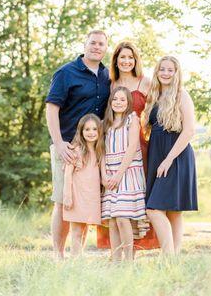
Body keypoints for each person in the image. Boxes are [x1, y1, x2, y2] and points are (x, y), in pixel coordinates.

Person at [45, 30, 110, 260]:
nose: (96, 47)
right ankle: (58, 255)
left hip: (93, 150)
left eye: (101, 44)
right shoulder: (66, 73)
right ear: (85, 44)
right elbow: (52, 108)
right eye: (92, 43)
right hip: (68, 146)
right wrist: (59, 143)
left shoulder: (106, 75)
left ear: (105, 48)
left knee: (83, 202)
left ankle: (77, 255)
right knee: (63, 201)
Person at [97, 41, 159, 249]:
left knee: (134, 206)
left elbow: (157, 112)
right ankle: (116, 254)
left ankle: (135, 252)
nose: (126, 61)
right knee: (115, 209)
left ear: (135, 60)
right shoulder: (110, 85)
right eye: (122, 57)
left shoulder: (145, 82)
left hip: (138, 148)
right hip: (113, 148)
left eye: (130, 57)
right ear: (115, 60)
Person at [143, 56, 198, 255]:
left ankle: (167, 256)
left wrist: (168, 159)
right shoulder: (154, 95)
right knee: (172, 211)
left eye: (170, 70)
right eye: (162, 69)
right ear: (156, 72)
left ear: (176, 73)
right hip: (157, 155)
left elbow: (189, 130)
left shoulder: (182, 95)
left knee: (154, 209)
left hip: (176, 156)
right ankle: (173, 261)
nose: (165, 73)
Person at [101, 86, 148, 261]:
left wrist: (119, 174)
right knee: (113, 220)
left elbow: (132, 148)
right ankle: (115, 259)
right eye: (115, 99)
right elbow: (102, 151)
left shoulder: (132, 119)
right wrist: (104, 175)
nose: (118, 102)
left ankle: (128, 259)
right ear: (110, 102)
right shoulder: (105, 123)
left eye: (122, 99)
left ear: (128, 102)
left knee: (122, 217)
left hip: (127, 172)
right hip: (110, 173)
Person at [63, 114, 104, 256]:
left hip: (91, 197)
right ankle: (75, 259)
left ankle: (79, 257)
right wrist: (67, 196)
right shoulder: (76, 150)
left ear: (99, 131)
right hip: (76, 196)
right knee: (76, 230)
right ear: (81, 131)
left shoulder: (100, 151)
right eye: (87, 129)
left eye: (94, 129)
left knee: (86, 227)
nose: (91, 132)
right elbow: (67, 175)